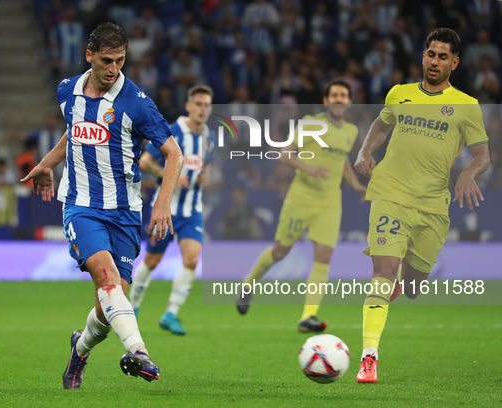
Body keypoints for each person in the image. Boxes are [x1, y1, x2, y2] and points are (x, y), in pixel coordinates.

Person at [21, 22, 183, 390]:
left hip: (126, 211)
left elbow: (174, 154)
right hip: (81, 206)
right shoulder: (67, 91)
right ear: (89, 56)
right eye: (107, 61)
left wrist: (162, 203)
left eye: (121, 61)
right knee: (107, 281)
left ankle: (79, 349)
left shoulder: (136, 104)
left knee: (110, 305)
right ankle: (140, 352)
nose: (113, 69)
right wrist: (48, 162)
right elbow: (74, 129)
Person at [353, 28, 490, 383]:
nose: (435, 61)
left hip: (432, 206)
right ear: (423, 55)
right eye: (431, 54)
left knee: (413, 287)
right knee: (382, 272)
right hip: (390, 195)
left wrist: (468, 174)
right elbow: (381, 127)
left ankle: (405, 282)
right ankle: (369, 357)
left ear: (454, 63)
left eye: (443, 56)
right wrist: (365, 150)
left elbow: (483, 154)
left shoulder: (466, 106)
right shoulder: (399, 94)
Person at [236, 79, 367, 332]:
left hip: (330, 203)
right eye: (334, 96)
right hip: (301, 199)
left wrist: (356, 185)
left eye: (344, 96)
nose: (339, 100)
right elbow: (284, 153)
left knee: (323, 256)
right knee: (280, 251)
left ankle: (308, 317)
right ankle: (248, 283)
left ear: (349, 102)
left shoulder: (351, 131)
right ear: (326, 101)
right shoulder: (311, 124)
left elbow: (343, 163)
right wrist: (309, 168)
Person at [128, 85, 215, 336]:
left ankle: (170, 313)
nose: (202, 109)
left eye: (206, 105)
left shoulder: (210, 138)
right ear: (188, 106)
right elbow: (145, 162)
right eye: (198, 104)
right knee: (152, 260)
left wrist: (204, 177)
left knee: (192, 259)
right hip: (166, 208)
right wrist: (173, 176)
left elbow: (205, 166)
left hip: (191, 211)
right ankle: (132, 307)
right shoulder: (175, 131)